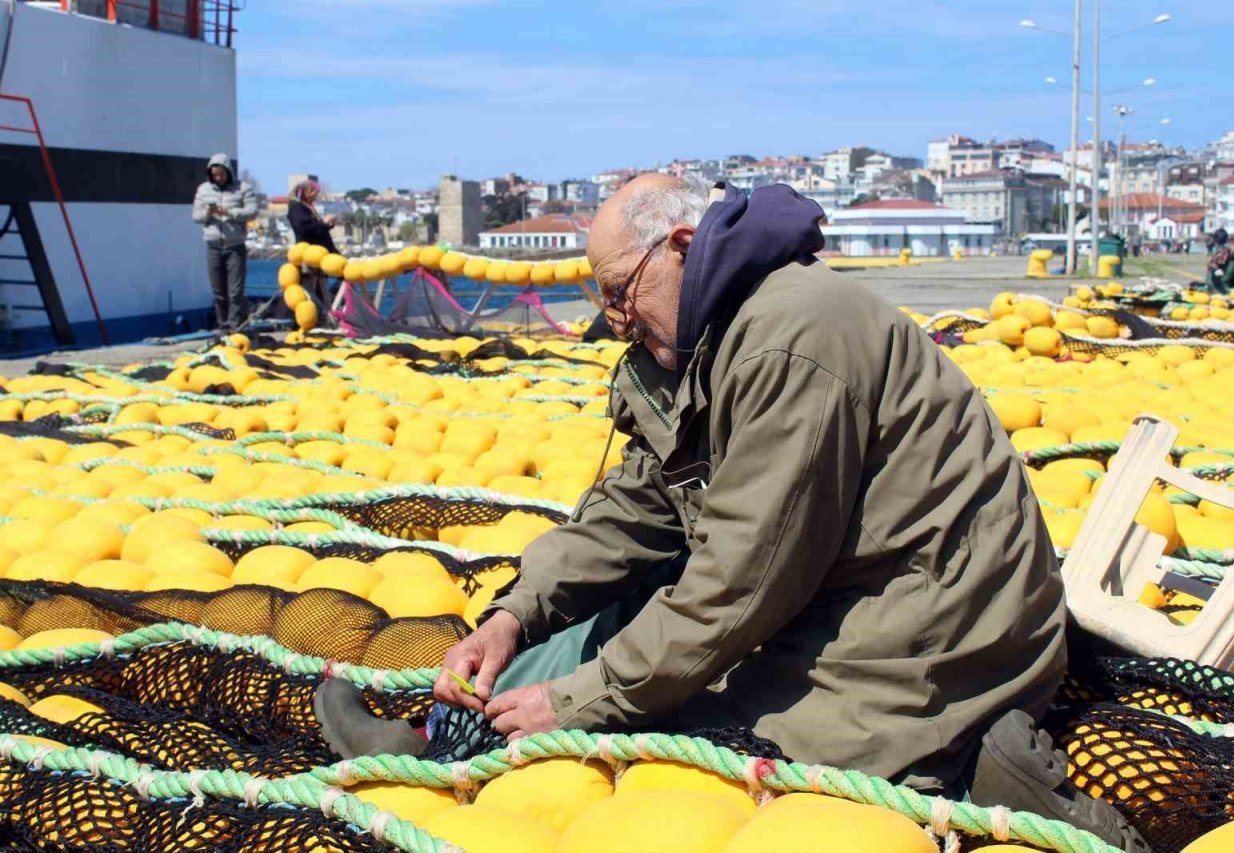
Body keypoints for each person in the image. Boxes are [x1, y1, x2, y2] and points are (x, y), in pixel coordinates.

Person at [315, 175, 1146, 851]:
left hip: (935, 631)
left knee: (703, 740)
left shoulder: (792, 338)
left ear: (679, 248)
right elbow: (633, 510)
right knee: (599, 624)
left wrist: (574, 705)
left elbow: (741, 582)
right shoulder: (706, 340)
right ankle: (438, 750)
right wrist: (511, 615)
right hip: (849, 588)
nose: (613, 320)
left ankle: (985, 772)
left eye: (619, 294)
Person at [192, 154, 257, 332]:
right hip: (213, 245)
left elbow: (252, 211)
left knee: (235, 290)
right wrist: (208, 212)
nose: (218, 178)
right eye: (215, 175)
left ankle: (235, 325)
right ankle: (223, 325)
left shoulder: (243, 188)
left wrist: (230, 212)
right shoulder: (203, 189)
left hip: (235, 245)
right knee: (218, 290)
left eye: (221, 174)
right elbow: (195, 216)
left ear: (228, 172)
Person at [288, 179, 338, 253]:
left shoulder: (308, 207)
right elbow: (303, 229)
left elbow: (316, 229)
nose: (317, 196)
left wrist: (328, 225)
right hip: (310, 252)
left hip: (321, 250)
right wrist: (323, 222)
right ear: (309, 193)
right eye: (316, 193)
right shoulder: (297, 207)